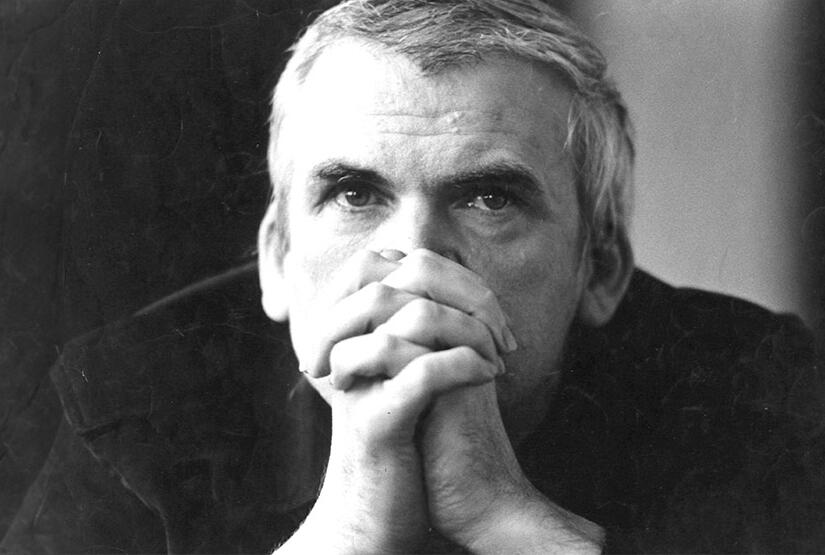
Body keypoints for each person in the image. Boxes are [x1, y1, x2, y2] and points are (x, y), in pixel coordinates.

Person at [3, 1, 822, 553]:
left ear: (598, 267)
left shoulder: (755, 393)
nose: (415, 258)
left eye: (488, 198)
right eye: (354, 194)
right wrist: (346, 530)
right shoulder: (133, 405)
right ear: (276, 260)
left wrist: (511, 521)